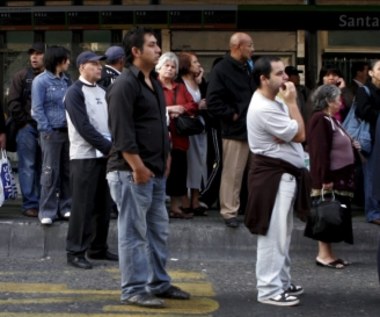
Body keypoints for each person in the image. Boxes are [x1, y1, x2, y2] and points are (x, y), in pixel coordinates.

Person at [106, 26, 190, 308]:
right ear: (136, 51)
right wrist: (138, 166)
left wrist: (165, 156)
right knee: (132, 233)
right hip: (131, 172)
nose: (158, 49)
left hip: (154, 171)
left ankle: (158, 282)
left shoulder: (153, 82)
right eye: (152, 45)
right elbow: (121, 132)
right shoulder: (124, 84)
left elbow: (160, 124)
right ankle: (132, 288)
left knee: (157, 231)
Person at [245, 56, 310, 307]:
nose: (286, 78)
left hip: (283, 174)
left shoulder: (273, 101)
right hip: (274, 177)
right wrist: (293, 104)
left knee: (283, 234)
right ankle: (269, 289)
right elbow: (301, 133)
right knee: (273, 235)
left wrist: (292, 128)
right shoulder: (265, 107)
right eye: (280, 74)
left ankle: (281, 281)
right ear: (263, 79)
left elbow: (295, 134)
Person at [64, 51, 118, 269]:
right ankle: (75, 250)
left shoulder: (104, 91)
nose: (100, 68)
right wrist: (108, 147)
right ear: (81, 67)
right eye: (94, 64)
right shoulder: (74, 93)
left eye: (100, 64)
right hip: (84, 156)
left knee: (103, 204)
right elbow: (83, 127)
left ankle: (98, 247)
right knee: (82, 205)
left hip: (104, 155)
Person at [304, 84, 358, 269]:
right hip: (329, 179)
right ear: (328, 101)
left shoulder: (330, 119)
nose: (340, 102)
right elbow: (319, 152)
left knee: (332, 215)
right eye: (337, 99)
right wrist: (324, 178)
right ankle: (323, 255)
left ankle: (329, 254)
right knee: (326, 215)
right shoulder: (320, 120)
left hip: (339, 177)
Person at [206, 32, 256, 228]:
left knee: (255, 173)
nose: (253, 49)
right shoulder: (222, 69)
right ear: (237, 46)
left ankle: (251, 209)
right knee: (233, 173)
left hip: (253, 128)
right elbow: (213, 101)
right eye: (249, 45)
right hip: (235, 130)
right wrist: (232, 115)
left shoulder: (247, 68)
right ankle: (229, 211)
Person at [31, 45, 72, 225]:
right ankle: (47, 210)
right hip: (51, 132)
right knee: (49, 172)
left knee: (67, 171)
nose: (68, 62)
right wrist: (46, 129)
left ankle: (66, 207)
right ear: (58, 61)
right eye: (66, 59)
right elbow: (37, 108)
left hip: (68, 131)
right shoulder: (40, 81)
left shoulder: (66, 81)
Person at [156, 51, 197, 219]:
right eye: (167, 65)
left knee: (178, 171)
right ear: (159, 67)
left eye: (173, 67)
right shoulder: (154, 85)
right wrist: (169, 110)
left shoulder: (180, 87)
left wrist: (182, 109)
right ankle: (157, 210)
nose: (170, 69)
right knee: (159, 171)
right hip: (159, 136)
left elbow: (193, 105)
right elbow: (149, 107)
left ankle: (176, 207)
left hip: (179, 136)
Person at [7, 42, 45, 217]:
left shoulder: (53, 76)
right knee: (27, 166)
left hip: (47, 129)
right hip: (27, 128)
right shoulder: (21, 76)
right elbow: (13, 103)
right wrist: (25, 122)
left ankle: (44, 202)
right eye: (32, 54)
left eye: (38, 54)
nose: (34, 57)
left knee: (45, 167)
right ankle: (30, 204)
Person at [177, 51, 208, 216]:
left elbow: (207, 98)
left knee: (199, 161)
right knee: (185, 162)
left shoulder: (198, 82)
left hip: (199, 126)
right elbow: (181, 104)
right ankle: (184, 199)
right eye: (195, 62)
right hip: (185, 127)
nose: (198, 65)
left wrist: (201, 81)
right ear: (186, 65)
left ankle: (195, 198)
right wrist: (197, 106)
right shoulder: (179, 82)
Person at [355, 59, 380, 225]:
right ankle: (373, 212)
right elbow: (362, 111)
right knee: (371, 175)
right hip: (371, 138)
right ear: (371, 73)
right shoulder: (364, 90)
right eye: (379, 69)